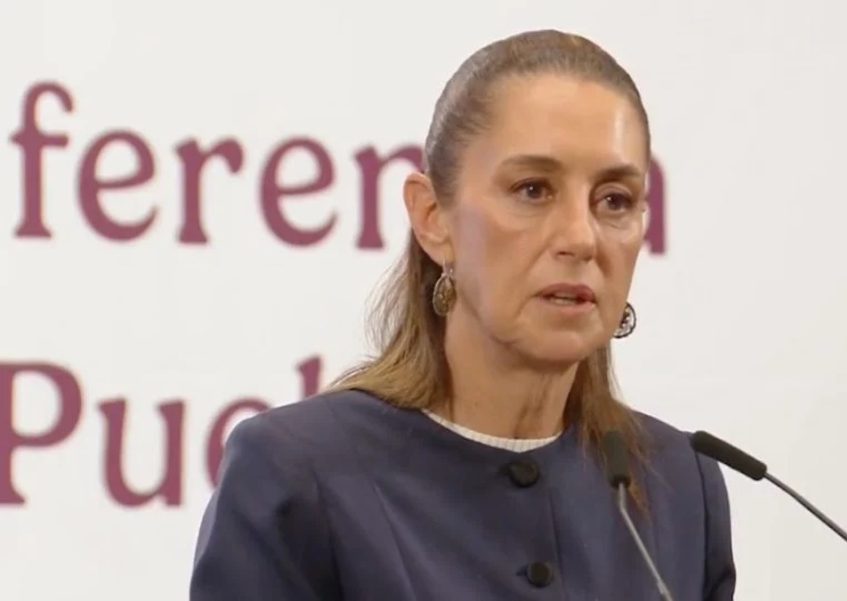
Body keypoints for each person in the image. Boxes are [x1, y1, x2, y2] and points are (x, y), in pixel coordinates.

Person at [189, 29, 735, 600]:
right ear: (432, 218)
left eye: (615, 200)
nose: (581, 237)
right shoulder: (297, 473)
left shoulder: (678, 486)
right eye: (533, 190)